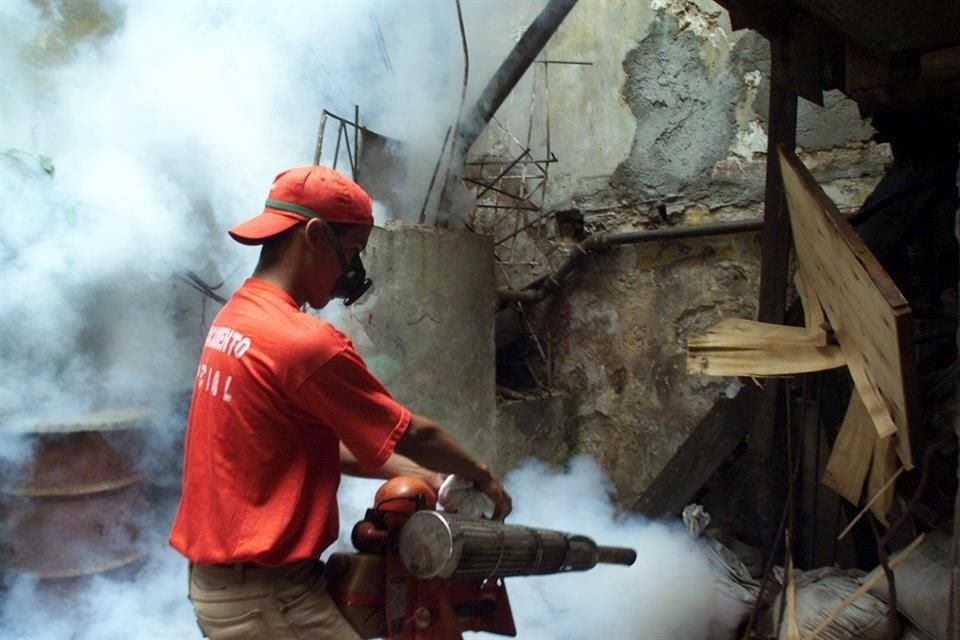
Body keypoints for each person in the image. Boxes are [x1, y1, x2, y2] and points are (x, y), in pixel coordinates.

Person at [168, 165, 512, 640]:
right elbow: (416, 432)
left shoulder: (237, 318)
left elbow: (304, 448)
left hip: (228, 583)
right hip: (264, 596)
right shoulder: (302, 342)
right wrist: (481, 474)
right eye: (350, 252)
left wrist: (432, 477)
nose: (351, 272)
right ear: (313, 236)